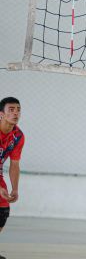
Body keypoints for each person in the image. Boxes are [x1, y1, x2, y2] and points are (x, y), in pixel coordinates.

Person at [0, 96, 24, 259]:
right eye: (11, 110)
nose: (16, 113)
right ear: (1, 114)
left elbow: (14, 164)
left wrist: (15, 188)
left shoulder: (18, 136)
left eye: (18, 110)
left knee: (3, 210)